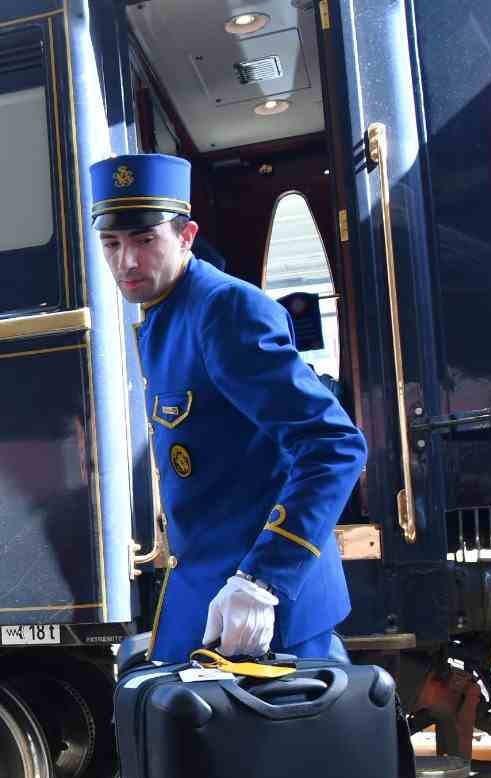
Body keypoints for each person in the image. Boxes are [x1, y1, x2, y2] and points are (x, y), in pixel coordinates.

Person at [90, 153, 366, 661]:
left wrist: (264, 579)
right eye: (111, 243)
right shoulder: (165, 316)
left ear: (186, 236)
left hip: (262, 611)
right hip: (209, 593)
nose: (126, 261)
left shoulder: (225, 310)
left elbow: (334, 446)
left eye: (145, 241)